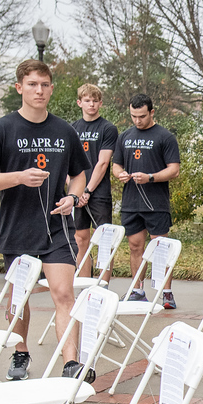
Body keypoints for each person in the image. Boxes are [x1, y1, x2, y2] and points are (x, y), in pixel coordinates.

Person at [0, 59, 87, 381]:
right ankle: (20, 353)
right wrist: (19, 177)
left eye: (45, 85)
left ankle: (71, 364)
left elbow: (79, 174)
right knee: (19, 298)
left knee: (64, 294)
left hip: (56, 228)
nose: (39, 91)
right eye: (32, 84)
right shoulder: (1, 129)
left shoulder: (64, 130)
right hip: (18, 226)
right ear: (19, 87)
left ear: (51, 88)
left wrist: (73, 198)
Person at [111, 93, 181, 306]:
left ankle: (166, 292)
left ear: (151, 112)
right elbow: (116, 165)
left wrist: (151, 177)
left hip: (156, 202)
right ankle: (137, 291)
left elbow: (174, 170)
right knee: (135, 246)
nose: (137, 120)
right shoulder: (124, 136)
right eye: (133, 116)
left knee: (160, 247)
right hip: (131, 202)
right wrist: (120, 174)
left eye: (142, 116)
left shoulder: (165, 137)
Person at [71, 83, 118, 280]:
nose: (91, 105)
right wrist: (75, 192)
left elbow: (103, 162)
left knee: (105, 239)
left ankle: (103, 284)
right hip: (77, 194)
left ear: (100, 103)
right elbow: (68, 163)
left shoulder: (108, 128)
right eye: (87, 100)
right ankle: (84, 283)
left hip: (98, 193)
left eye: (95, 101)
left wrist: (88, 190)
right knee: (81, 239)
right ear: (79, 102)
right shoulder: (72, 128)